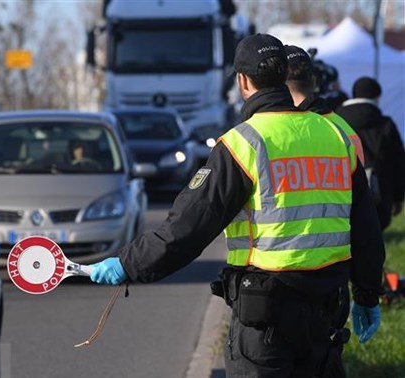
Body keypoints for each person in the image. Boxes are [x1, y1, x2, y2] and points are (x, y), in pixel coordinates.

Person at [88, 34, 385, 377]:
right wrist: (367, 293)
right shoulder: (335, 136)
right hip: (326, 311)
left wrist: (128, 264)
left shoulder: (244, 144)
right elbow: (365, 226)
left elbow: (187, 228)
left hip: (266, 317)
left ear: (243, 81)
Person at [284, 44, 361, 378]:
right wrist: (368, 290)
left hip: (272, 289)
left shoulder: (264, 135)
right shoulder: (344, 132)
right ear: (315, 80)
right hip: (331, 285)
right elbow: (363, 217)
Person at [336, 77, 405, 230]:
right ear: (377, 96)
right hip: (379, 192)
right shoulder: (385, 124)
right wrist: (399, 197)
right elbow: (398, 162)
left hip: (342, 190)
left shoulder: (335, 121)